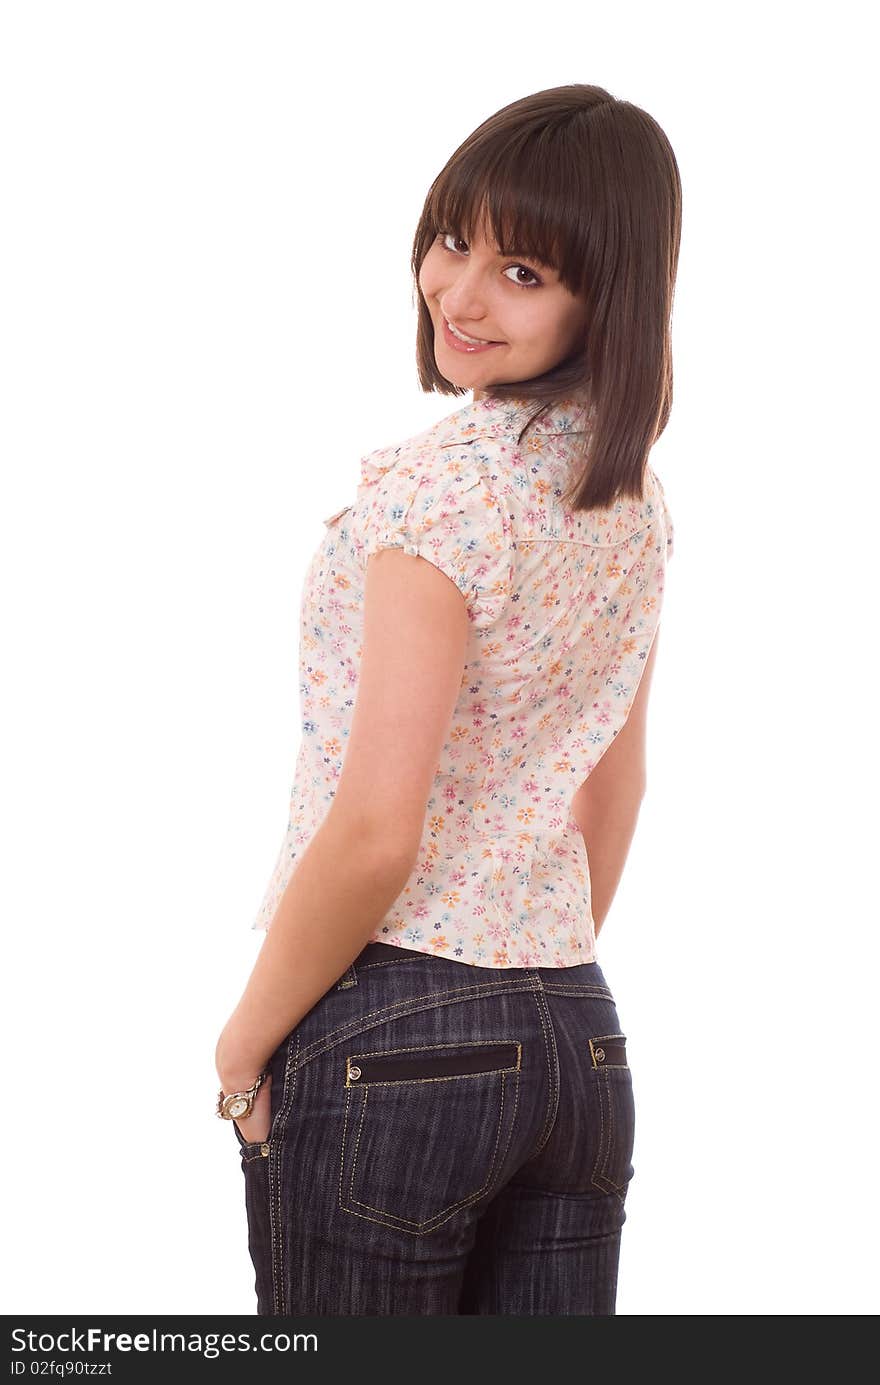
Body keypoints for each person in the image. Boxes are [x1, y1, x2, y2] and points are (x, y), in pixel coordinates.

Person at [214, 81, 681, 1316]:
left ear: (606, 297)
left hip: (392, 1023)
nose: (461, 294)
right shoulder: (629, 504)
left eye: (523, 271)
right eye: (453, 239)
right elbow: (613, 787)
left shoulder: (444, 494)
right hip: (580, 1036)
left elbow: (376, 826)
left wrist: (244, 1040)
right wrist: (523, 985)